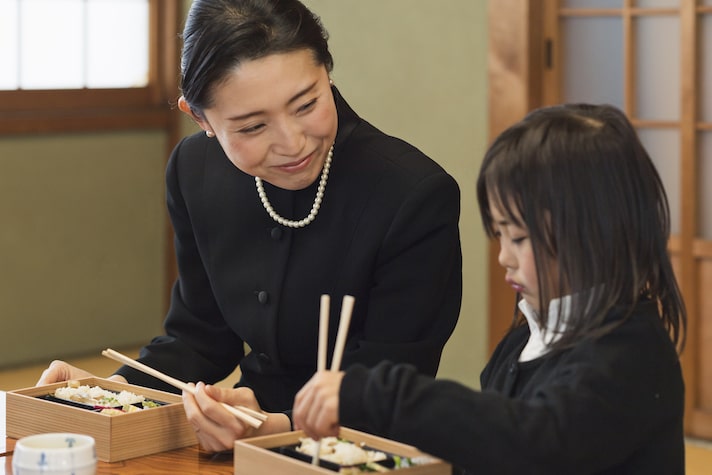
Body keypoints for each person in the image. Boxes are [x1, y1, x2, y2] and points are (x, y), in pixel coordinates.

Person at [37, 0, 462, 452]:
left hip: (361, 450)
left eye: (307, 104)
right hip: (241, 435)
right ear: (199, 118)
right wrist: (111, 393)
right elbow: (199, 336)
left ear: (327, 71)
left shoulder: (411, 195)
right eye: (253, 126)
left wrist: (274, 424)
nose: (292, 142)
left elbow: (394, 387)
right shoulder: (194, 171)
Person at [293, 103, 687, 474]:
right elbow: (485, 450)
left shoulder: (632, 352)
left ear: (593, 232)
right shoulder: (523, 341)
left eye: (518, 237)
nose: (504, 257)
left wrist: (381, 394)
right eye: (499, 235)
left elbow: (535, 442)